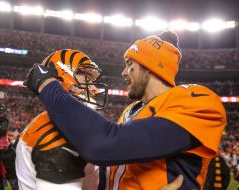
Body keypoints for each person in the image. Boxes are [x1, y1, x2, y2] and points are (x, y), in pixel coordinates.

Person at [23, 31, 226, 189]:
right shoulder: (131, 110)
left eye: (130, 64)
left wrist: (48, 84)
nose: (123, 73)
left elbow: (104, 144)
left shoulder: (197, 99)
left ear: (151, 66)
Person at [15, 49, 109, 190]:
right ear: (63, 79)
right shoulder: (55, 133)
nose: (95, 89)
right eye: (87, 80)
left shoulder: (65, 124)